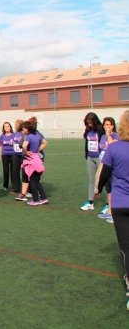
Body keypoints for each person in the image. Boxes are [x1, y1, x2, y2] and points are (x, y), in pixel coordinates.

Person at [95, 109, 129, 310]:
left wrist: (98, 190)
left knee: (126, 247)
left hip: (121, 204)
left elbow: (105, 174)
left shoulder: (114, 149)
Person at [97, 117, 120, 221]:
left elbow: (112, 146)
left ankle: (115, 214)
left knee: (115, 189)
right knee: (109, 189)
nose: (108, 127)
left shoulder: (115, 136)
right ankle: (110, 212)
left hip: (114, 167)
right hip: (105, 166)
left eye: (110, 125)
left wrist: (109, 135)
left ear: (113, 126)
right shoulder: (102, 137)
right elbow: (101, 149)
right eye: (106, 125)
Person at [81, 112, 105, 210]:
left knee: (104, 180)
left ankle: (108, 203)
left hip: (100, 158)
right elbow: (87, 143)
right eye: (87, 123)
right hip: (90, 158)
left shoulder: (100, 130)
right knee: (91, 180)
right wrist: (87, 155)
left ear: (95, 121)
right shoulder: (88, 130)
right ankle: (90, 201)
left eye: (91, 123)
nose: (89, 125)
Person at [21, 121, 48, 205]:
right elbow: (45, 142)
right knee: (36, 180)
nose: (23, 129)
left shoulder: (28, 137)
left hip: (31, 160)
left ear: (27, 129)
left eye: (24, 127)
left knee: (32, 180)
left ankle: (35, 200)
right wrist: (38, 149)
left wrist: (26, 152)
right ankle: (43, 198)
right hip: (37, 159)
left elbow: (24, 146)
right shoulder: (37, 136)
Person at [0, 122, 15, 191]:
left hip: (12, 154)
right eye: (5, 126)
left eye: (8, 126)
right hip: (5, 154)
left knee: (13, 170)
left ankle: (13, 185)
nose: (6, 127)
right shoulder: (2, 136)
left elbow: (16, 145)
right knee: (5, 170)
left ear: (10, 127)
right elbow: (0, 145)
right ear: (3, 128)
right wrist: (1, 154)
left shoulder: (14, 135)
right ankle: (5, 185)